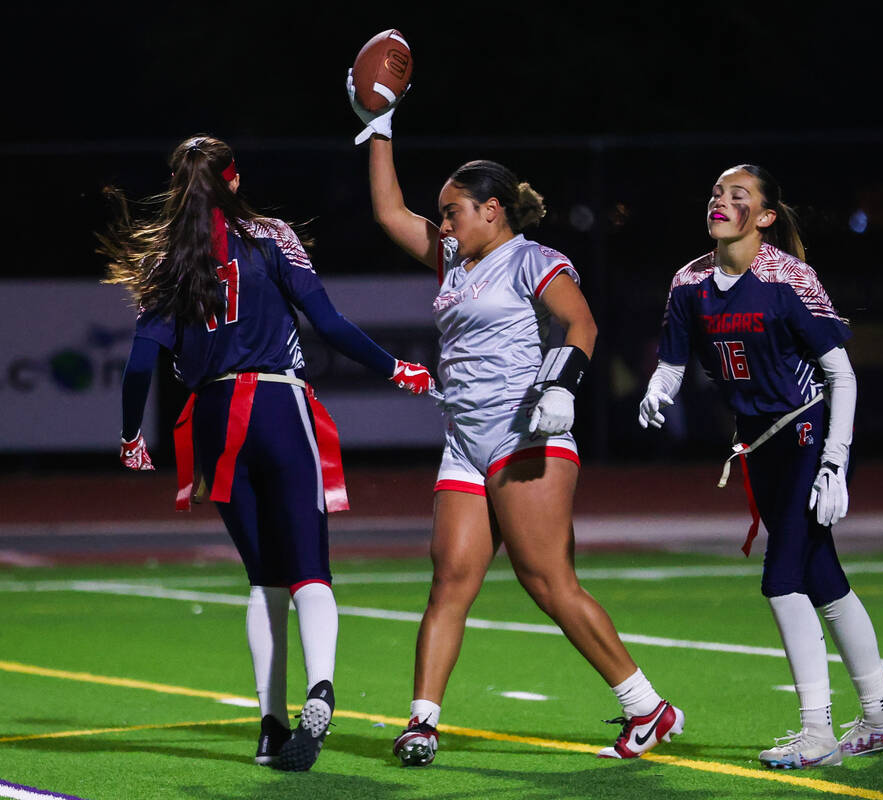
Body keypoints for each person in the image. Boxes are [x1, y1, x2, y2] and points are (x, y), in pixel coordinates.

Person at [346, 77, 683, 766]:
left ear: (492, 210)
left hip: (526, 431)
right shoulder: (452, 259)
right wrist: (378, 125)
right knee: (449, 580)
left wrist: (562, 385)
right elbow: (387, 213)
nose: (442, 225)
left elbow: (580, 321)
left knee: (546, 580)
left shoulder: (530, 257)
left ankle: (648, 708)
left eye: (452, 212)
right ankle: (422, 722)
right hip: (464, 442)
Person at [99, 134, 434, 772]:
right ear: (234, 177)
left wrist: (129, 436)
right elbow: (327, 324)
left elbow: (141, 362)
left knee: (262, 576)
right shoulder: (271, 234)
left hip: (214, 419)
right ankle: (323, 688)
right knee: (309, 565)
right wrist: (396, 369)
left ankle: (271, 727)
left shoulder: (168, 258)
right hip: (278, 405)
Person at [637, 164, 883, 769]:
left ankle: (818, 733)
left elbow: (842, 374)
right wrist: (659, 389)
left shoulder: (788, 277)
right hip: (759, 443)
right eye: (715, 192)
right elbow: (674, 362)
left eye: (737, 196)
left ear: (763, 217)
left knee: (782, 577)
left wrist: (835, 463)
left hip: (811, 430)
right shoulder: (689, 282)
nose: (719, 202)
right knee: (823, 579)